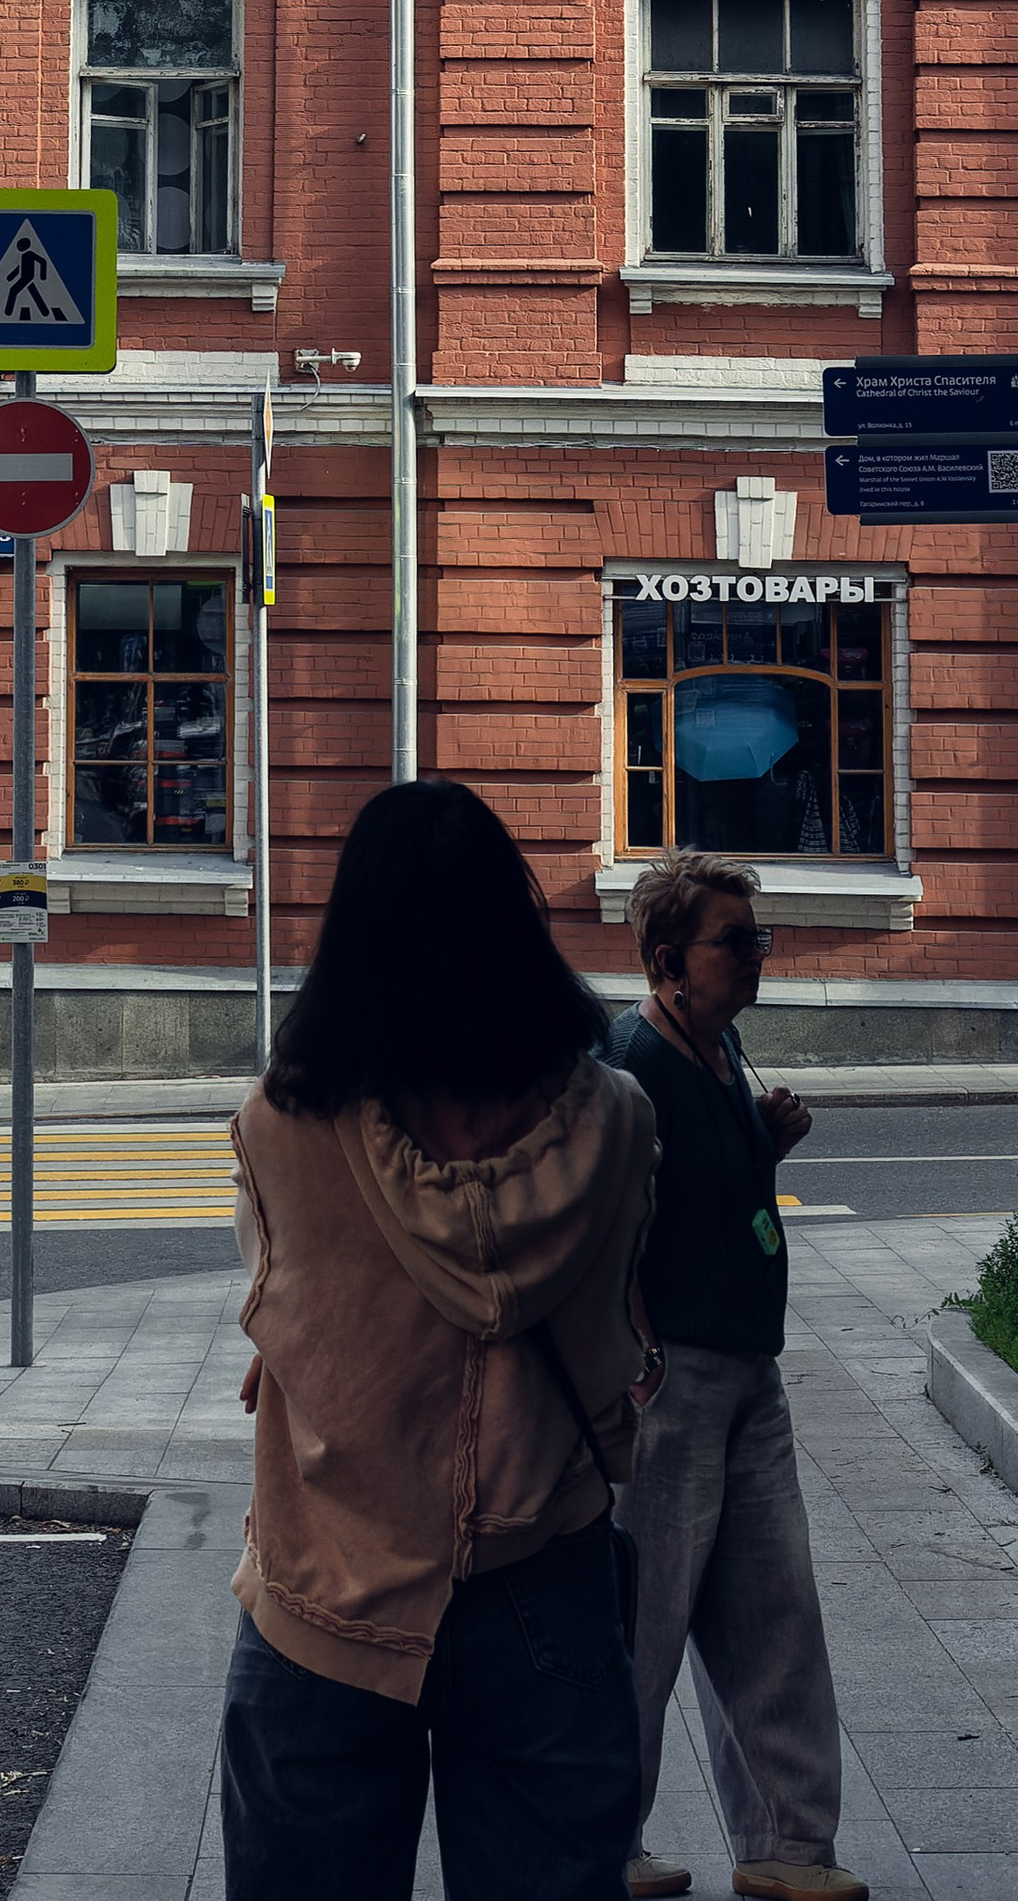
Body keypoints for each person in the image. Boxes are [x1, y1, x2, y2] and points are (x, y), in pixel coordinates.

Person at [220, 777, 659, 1901]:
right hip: (542, 1573)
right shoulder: (612, 1120)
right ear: (512, 925)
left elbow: (287, 1313)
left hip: (328, 1580)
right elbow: (623, 1306)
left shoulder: (279, 1126)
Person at [612, 849, 865, 1901]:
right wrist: (634, 1358)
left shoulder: (719, 1048)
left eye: (759, 937)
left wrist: (763, 1146)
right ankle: (605, 1842)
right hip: (666, 1381)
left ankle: (787, 1847)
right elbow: (599, 1222)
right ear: (672, 960)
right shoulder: (630, 1061)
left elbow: (715, 1194)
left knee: (774, 1610)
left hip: (748, 1371)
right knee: (641, 1623)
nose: (757, 957)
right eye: (737, 940)